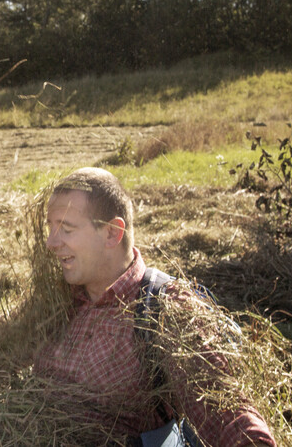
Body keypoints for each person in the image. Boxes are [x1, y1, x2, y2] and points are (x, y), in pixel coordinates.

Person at [35, 167, 276, 447]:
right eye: (50, 228)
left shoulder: (166, 310)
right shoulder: (58, 299)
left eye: (66, 228)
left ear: (112, 233)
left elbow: (227, 413)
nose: (52, 243)